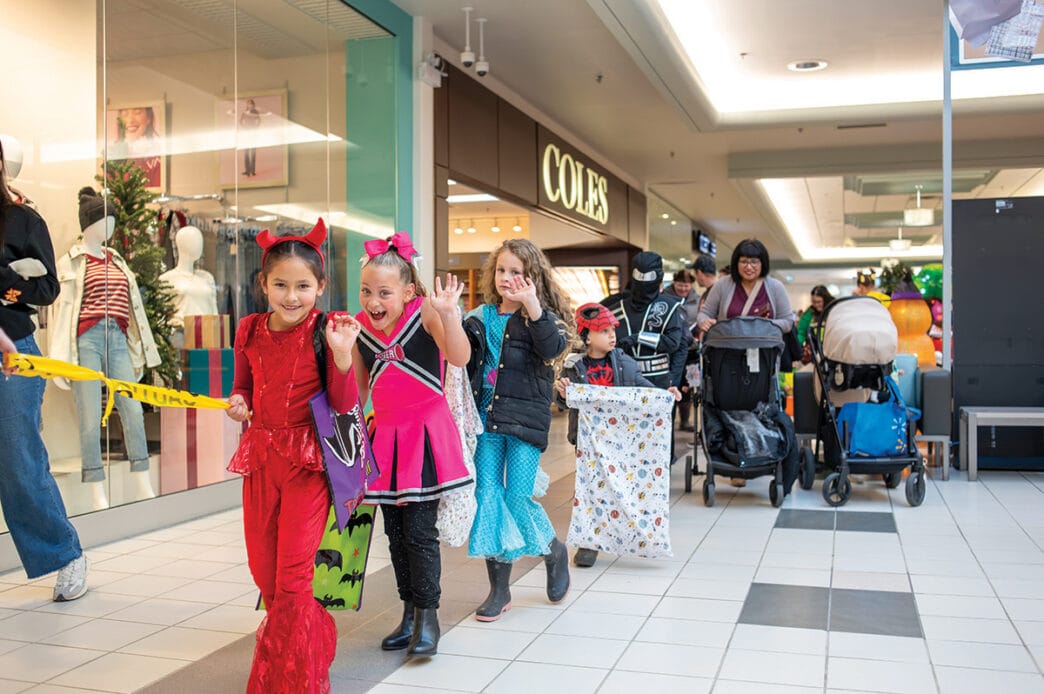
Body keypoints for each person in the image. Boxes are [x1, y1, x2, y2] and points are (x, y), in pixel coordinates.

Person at [224, 219, 357, 693]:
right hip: (261, 460)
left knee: (295, 579)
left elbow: (344, 404)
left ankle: (294, 680)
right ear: (263, 284)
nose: (292, 296)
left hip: (308, 463)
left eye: (303, 285)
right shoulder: (249, 329)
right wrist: (239, 401)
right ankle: (315, 639)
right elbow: (243, 385)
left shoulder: (328, 330)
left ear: (320, 286)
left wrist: (342, 358)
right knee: (266, 577)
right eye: (280, 284)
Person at [349, 232, 473, 657]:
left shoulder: (427, 312)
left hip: (426, 436)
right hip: (385, 439)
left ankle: (428, 617)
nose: (373, 301)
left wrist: (450, 315)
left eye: (384, 292)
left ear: (406, 291)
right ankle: (408, 614)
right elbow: (358, 392)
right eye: (366, 291)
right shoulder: (360, 328)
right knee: (396, 533)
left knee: (420, 532)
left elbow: (459, 357)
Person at [463, 238, 574, 622]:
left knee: (517, 497)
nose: (507, 278)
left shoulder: (542, 318)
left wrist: (533, 306)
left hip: (524, 422)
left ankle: (552, 550)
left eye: (517, 272)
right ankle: (500, 588)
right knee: (488, 496)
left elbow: (552, 349)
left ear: (532, 277)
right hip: (486, 421)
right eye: (501, 270)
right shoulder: (479, 316)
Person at [0, 140, 88, 602]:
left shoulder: (22, 219)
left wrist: (7, 281)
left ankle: (64, 554)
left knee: (18, 459)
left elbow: (48, 289)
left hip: (11, 352)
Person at [51, 188, 160, 508]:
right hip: (87, 338)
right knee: (90, 415)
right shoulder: (71, 262)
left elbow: (133, 307)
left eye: (112, 219)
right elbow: (60, 312)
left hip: (118, 339)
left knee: (132, 409)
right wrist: (58, 358)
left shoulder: (118, 261)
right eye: (105, 219)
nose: (111, 225)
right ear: (89, 223)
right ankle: (96, 487)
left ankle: (142, 481)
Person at [555, 303, 680, 567]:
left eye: (612, 329)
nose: (612, 335)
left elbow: (643, 391)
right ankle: (589, 543)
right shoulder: (574, 367)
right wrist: (563, 392)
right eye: (603, 331)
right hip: (587, 442)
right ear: (587, 336)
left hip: (622, 442)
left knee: (621, 488)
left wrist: (664, 395)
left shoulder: (625, 363)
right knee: (589, 492)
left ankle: (628, 533)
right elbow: (563, 402)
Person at [697, 239, 795, 488]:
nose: (749, 266)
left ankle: (760, 454)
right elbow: (705, 313)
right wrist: (704, 322)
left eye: (754, 261)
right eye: (743, 261)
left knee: (758, 403)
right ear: (736, 262)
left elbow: (787, 320)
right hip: (727, 359)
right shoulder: (723, 285)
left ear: (763, 263)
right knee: (728, 402)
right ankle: (734, 458)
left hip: (762, 358)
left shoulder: (774, 287)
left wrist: (760, 327)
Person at [159, 226, 218, 328]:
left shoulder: (207, 277)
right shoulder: (166, 279)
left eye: (200, 241)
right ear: (181, 244)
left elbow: (214, 311)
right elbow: (160, 317)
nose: (200, 245)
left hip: (208, 333)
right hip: (181, 334)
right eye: (195, 241)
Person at [240, 99, 261, 177]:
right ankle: (247, 171)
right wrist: (244, 127)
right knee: (246, 152)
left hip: (253, 134)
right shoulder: (244, 112)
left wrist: (255, 127)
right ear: (247, 105)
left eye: (251, 104)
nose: (250, 105)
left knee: (253, 152)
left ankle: (252, 171)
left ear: (253, 105)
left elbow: (259, 120)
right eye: (248, 104)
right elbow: (240, 121)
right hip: (246, 134)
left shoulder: (255, 112)